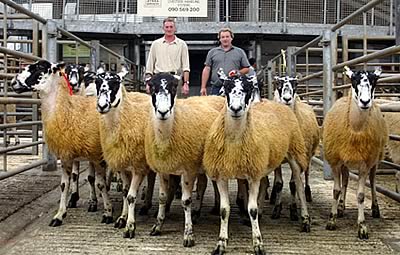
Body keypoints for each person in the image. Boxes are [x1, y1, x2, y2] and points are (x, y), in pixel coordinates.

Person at [145, 17, 190, 96]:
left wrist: (186, 83)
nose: (169, 29)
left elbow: (186, 67)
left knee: (176, 105)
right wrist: (148, 83)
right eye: (167, 27)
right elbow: (150, 66)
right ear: (163, 28)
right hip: (158, 79)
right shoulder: (156, 44)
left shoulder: (182, 44)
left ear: (175, 28)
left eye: (171, 27)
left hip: (175, 80)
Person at [200, 27, 250, 96]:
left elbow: (247, 69)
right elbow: (207, 69)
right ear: (220, 39)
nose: (225, 39)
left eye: (227, 37)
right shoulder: (212, 52)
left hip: (234, 88)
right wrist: (203, 87)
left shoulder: (240, 52)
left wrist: (238, 72)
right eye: (222, 37)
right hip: (216, 87)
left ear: (231, 38)